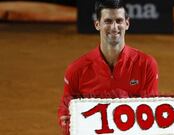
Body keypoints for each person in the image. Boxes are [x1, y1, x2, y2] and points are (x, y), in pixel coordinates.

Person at [58, 0, 159, 134]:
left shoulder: (146, 64)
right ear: (97, 24)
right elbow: (66, 111)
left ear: (127, 23)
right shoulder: (76, 69)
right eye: (108, 21)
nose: (114, 27)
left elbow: (150, 112)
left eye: (119, 21)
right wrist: (66, 120)